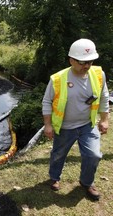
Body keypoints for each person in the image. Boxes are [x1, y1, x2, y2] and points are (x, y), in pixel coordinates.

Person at [42, 38, 109, 201]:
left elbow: (104, 97)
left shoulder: (99, 75)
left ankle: (87, 182)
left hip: (87, 125)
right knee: (58, 154)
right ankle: (55, 176)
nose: (87, 66)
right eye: (82, 62)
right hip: (65, 127)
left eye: (90, 61)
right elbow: (46, 101)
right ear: (71, 60)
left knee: (93, 155)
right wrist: (48, 125)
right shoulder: (58, 79)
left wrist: (105, 119)